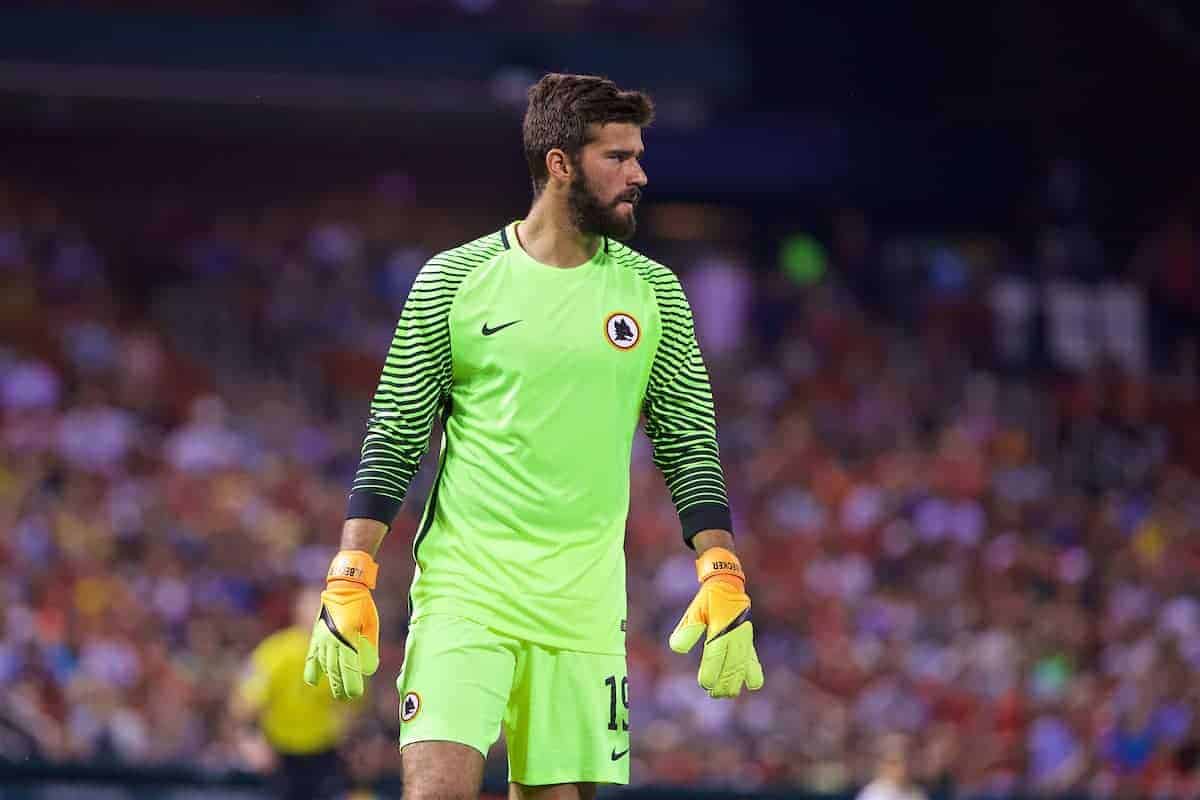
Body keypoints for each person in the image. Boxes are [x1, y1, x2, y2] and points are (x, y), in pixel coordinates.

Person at [302, 72, 764, 800]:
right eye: (617, 156)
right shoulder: (454, 280)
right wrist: (352, 568)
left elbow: (688, 441)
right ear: (559, 164)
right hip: (466, 593)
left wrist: (722, 569)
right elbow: (395, 433)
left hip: (582, 607)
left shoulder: (655, 293)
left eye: (638, 155)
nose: (638, 174)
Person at [233, 586, 360, 799]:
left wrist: (344, 737)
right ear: (298, 613)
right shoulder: (274, 653)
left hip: (325, 754)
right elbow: (244, 704)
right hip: (280, 756)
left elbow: (352, 707)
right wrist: (250, 742)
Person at [856, 734, 929, 800]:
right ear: (884, 764)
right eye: (896, 762)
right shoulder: (873, 795)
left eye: (908, 759)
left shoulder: (917, 793)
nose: (905, 767)